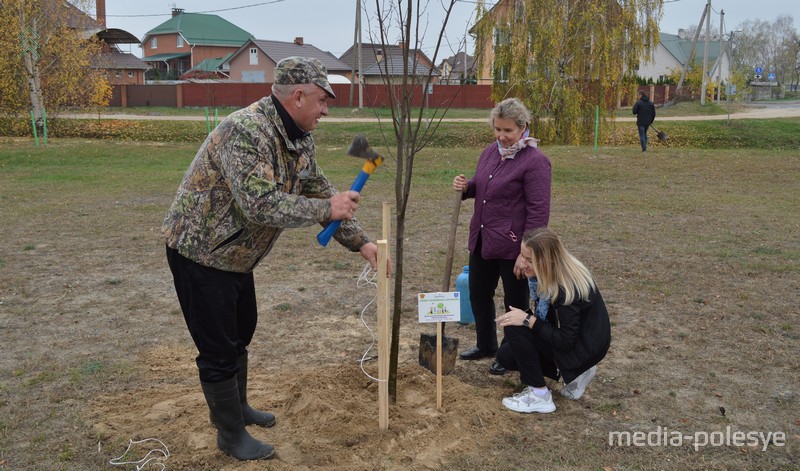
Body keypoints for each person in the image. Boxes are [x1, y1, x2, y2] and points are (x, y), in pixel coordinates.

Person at [163, 56, 389, 461]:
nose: (326, 110)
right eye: (322, 100)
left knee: (241, 332)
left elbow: (321, 189)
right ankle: (230, 435)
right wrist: (326, 211)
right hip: (201, 251)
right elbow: (259, 205)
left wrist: (363, 244)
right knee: (217, 347)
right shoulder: (245, 130)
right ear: (298, 95)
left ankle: (240, 407)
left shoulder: (299, 136)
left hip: (235, 256)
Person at [452, 97, 551, 375]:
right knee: (479, 294)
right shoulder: (489, 153)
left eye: (507, 131)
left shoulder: (535, 162)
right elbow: (482, 188)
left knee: (514, 302)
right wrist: (466, 187)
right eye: (497, 129)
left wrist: (526, 252)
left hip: (513, 246)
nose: (501, 136)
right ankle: (486, 345)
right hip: (483, 240)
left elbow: (539, 211)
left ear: (523, 128)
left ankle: (510, 355)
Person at [494, 228, 611, 414]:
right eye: (521, 256)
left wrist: (527, 320)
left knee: (516, 327)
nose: (522, 264)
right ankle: (578, 374)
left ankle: (540, 396)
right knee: (506, 356)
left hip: (584, 348)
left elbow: (565, 340)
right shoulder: (555, 270)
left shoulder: (565, 289)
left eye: (529, 260)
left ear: (545, 261)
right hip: (585, 342)